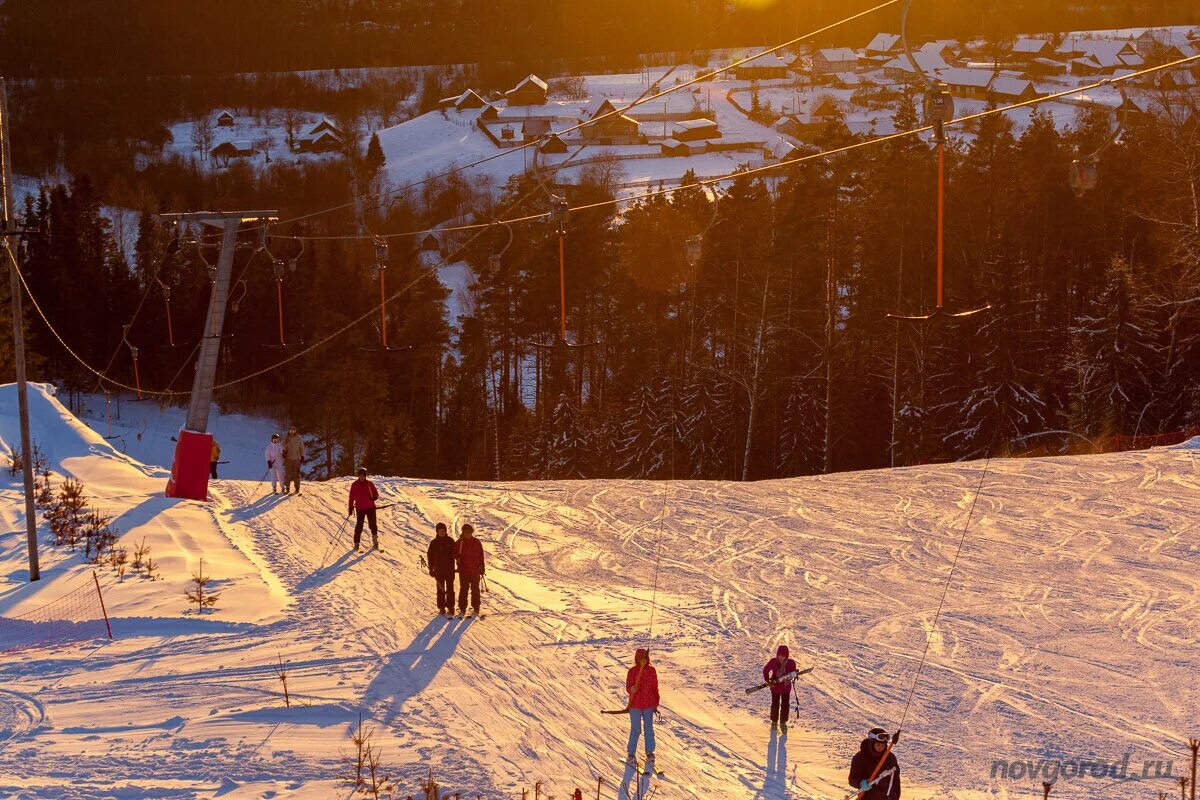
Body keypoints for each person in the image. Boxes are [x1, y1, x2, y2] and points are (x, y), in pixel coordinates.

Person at [625, 648, 659, 769]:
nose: (642, 662)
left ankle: (650, 752)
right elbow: (628, 686)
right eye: (639, 659)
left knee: (648, 728)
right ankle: (631, 753)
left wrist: (656, 702)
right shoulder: (632, 671)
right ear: (636, 660)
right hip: (635, 704)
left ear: (647, 659)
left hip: (648, 704)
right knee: (636, 729)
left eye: (644, 659)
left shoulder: (651, 671)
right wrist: (631, 689)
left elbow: (655, 687)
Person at [848, 727, 901, 800]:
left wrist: (895, 796)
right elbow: (852, 780)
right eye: (878, 745)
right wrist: (861, 783)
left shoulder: (890, 758)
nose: (881, 748)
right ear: (872, 743)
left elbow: (896, 780)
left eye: (883, 745)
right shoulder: (860, 758)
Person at [763, 644, 797, 734]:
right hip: (775, 688)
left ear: (786, 656)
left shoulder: (791, 663)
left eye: (783, 656)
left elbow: (793, 672)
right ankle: (774, 722)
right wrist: (768, 680)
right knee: (775, 705)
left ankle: (783, 723)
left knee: (785, 706)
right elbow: (765, 670)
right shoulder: (773, 662)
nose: (781, 657)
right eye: (780, 655)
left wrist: (792, 675)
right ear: (777, 654)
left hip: (786, 688)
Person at [454, 523, 485, 617]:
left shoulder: (476, 542)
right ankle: (462, 608)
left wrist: (482, 566)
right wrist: (457, 557)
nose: (468, 534)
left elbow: (481, 555)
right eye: (466, 532)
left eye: (470, 532)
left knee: (475, 589)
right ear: (463, 532)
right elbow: (453, 553)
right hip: (464, 570)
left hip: (475, 570)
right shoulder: (459, 543)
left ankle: (476, 607)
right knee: (464, 589)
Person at [427, 522, 456, 616]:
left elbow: (456, 554)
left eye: (443, 531)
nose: (441, 532)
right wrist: (431, 569)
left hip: (450, 570)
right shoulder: (434, 543)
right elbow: (430, 557)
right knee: (440, 589)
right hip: (439, 570)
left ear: (445, 531)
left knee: (450, 589)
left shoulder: (450, 541)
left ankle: (451, 607)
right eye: (440, 531)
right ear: (437, 532)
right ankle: (442, 607)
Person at [347, 467, 380, 550]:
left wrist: (374, 498)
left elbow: (376, 493)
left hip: (370, 507)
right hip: (360, 508)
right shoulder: (354, 485)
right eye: (360, 475)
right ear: (358, 476)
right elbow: (351, 497)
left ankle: (375, 541)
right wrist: (350, 507)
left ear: (365, 476)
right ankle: (356, 543)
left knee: (373, 525)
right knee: (359, 526)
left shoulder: (369, 484)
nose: (362, 477)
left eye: (363, 476)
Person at [283, 426, 304, 494]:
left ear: (295, 431)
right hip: (288, 459)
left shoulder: (298, 438)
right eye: (290, 430)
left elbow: (302, 447)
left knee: (296, 475)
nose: (292, 431)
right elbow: (283, 447)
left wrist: (302, 456)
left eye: (293, 430)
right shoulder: (286, 438)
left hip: (297, 459)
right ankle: (287, 488)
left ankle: (297, 488)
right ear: (289, 431)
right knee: (287, 474)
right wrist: (283, 453)